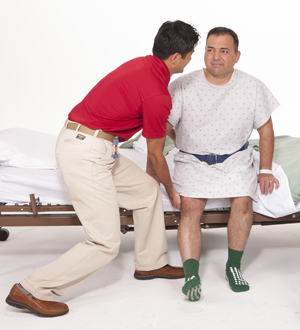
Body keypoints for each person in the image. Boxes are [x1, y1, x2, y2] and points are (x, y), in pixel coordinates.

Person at [6, 20, 200, 317]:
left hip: (95, 145)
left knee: (146, 190)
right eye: (190, 54)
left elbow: (151, 129)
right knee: (105, 242)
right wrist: (172, 191)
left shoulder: (142, 65)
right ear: (176, 58)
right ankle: (31, 289)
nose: (190, 59)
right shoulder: (158, 94)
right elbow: (156, 155)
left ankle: (151, 262)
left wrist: (158, 170)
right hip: (87, 152)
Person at [166, 27, 280, 302]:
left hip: (236, 157)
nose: (216, 57)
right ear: (203, 52)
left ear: (237, 56)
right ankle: (191, 273)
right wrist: (182, 140)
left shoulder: (252, 86)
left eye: (224, 51)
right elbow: (165, 125)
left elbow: (266, 131)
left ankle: (233, 267)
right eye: (210, 49)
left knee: (243, 202)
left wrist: (264, 169)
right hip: (193, 159)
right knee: (191, 208)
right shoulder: (182, 85)